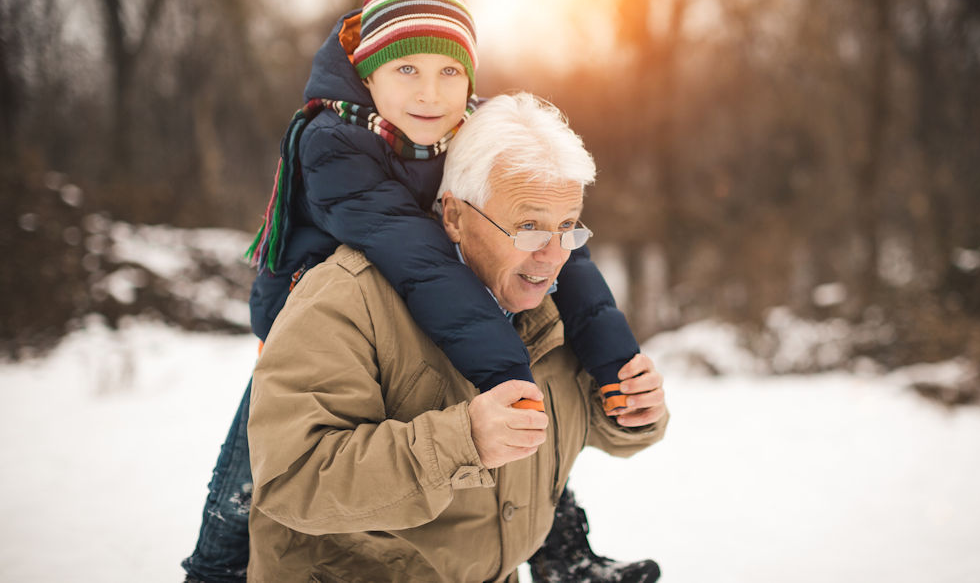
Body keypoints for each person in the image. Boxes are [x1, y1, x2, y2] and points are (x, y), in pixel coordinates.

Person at [182, 0, 655, 582]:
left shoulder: (469, 131)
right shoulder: (333, 141)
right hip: (306, 314)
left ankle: (565, 549)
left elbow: (572, 260)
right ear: (368, 75)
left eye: (449, 72)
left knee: (516, 423)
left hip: (422, 288)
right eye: (407, 70)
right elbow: (418, 256)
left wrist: (618, 362)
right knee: (249, 471)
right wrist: (508, 372)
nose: (430, 93)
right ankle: (213, 570)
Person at [246, 92, 669, 581]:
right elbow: (292, 480)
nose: (554, 256)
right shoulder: (347, 297)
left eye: (568, 226)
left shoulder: (555, 303)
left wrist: (633, 410)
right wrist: (461, 441)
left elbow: (587, 428)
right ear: (453, 216)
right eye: (528, 226)